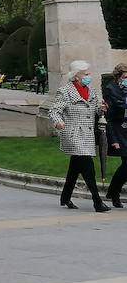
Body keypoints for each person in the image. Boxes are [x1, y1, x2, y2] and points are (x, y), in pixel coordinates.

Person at [51, 60, 111, 212]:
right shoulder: (65, 91)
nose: (88, 76)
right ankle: (97, 201)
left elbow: (96, 110)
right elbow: (54, 111)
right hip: (73, 133)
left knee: (76, 165)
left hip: (88, 133)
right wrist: (58, 122)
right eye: (85, 74)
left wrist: (102, 108)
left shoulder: (91, 91)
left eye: (88, 73)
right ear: (76, 76)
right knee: (87, 164)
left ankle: (65, 197)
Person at [106, 64, 127, 208]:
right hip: (119, 130)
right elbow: (109, 118)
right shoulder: (110, 89)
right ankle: (114, 192)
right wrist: (113, 139)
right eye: (125, 76)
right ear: (118, 76)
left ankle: (113, 191)